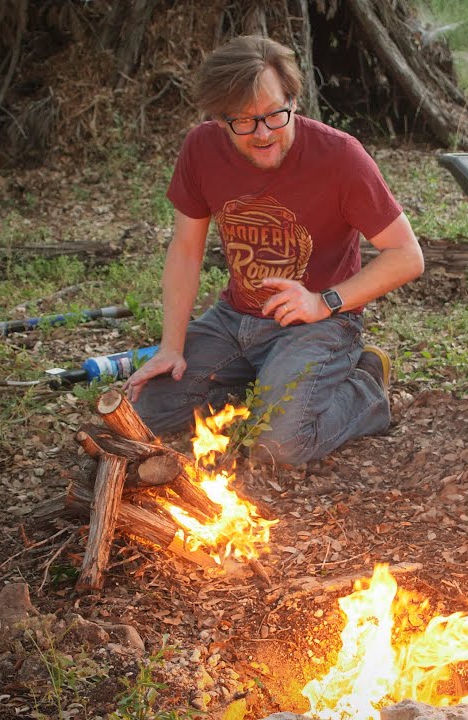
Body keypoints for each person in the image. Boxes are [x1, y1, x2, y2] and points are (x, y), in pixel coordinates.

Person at [124, 35, 424, 466]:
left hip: (318, 324)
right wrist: (171, 346)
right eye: (244, 122)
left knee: (278, 446)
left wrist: (325, 301)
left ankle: (366, 389)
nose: (263, 133)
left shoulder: (341, 157)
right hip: (234, 320)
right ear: (220, 117)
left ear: (293, 100)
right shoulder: (201, 148)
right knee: (143, 411)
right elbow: (186, 252)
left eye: (274, 115)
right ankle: (265, 386)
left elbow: (407, 255)